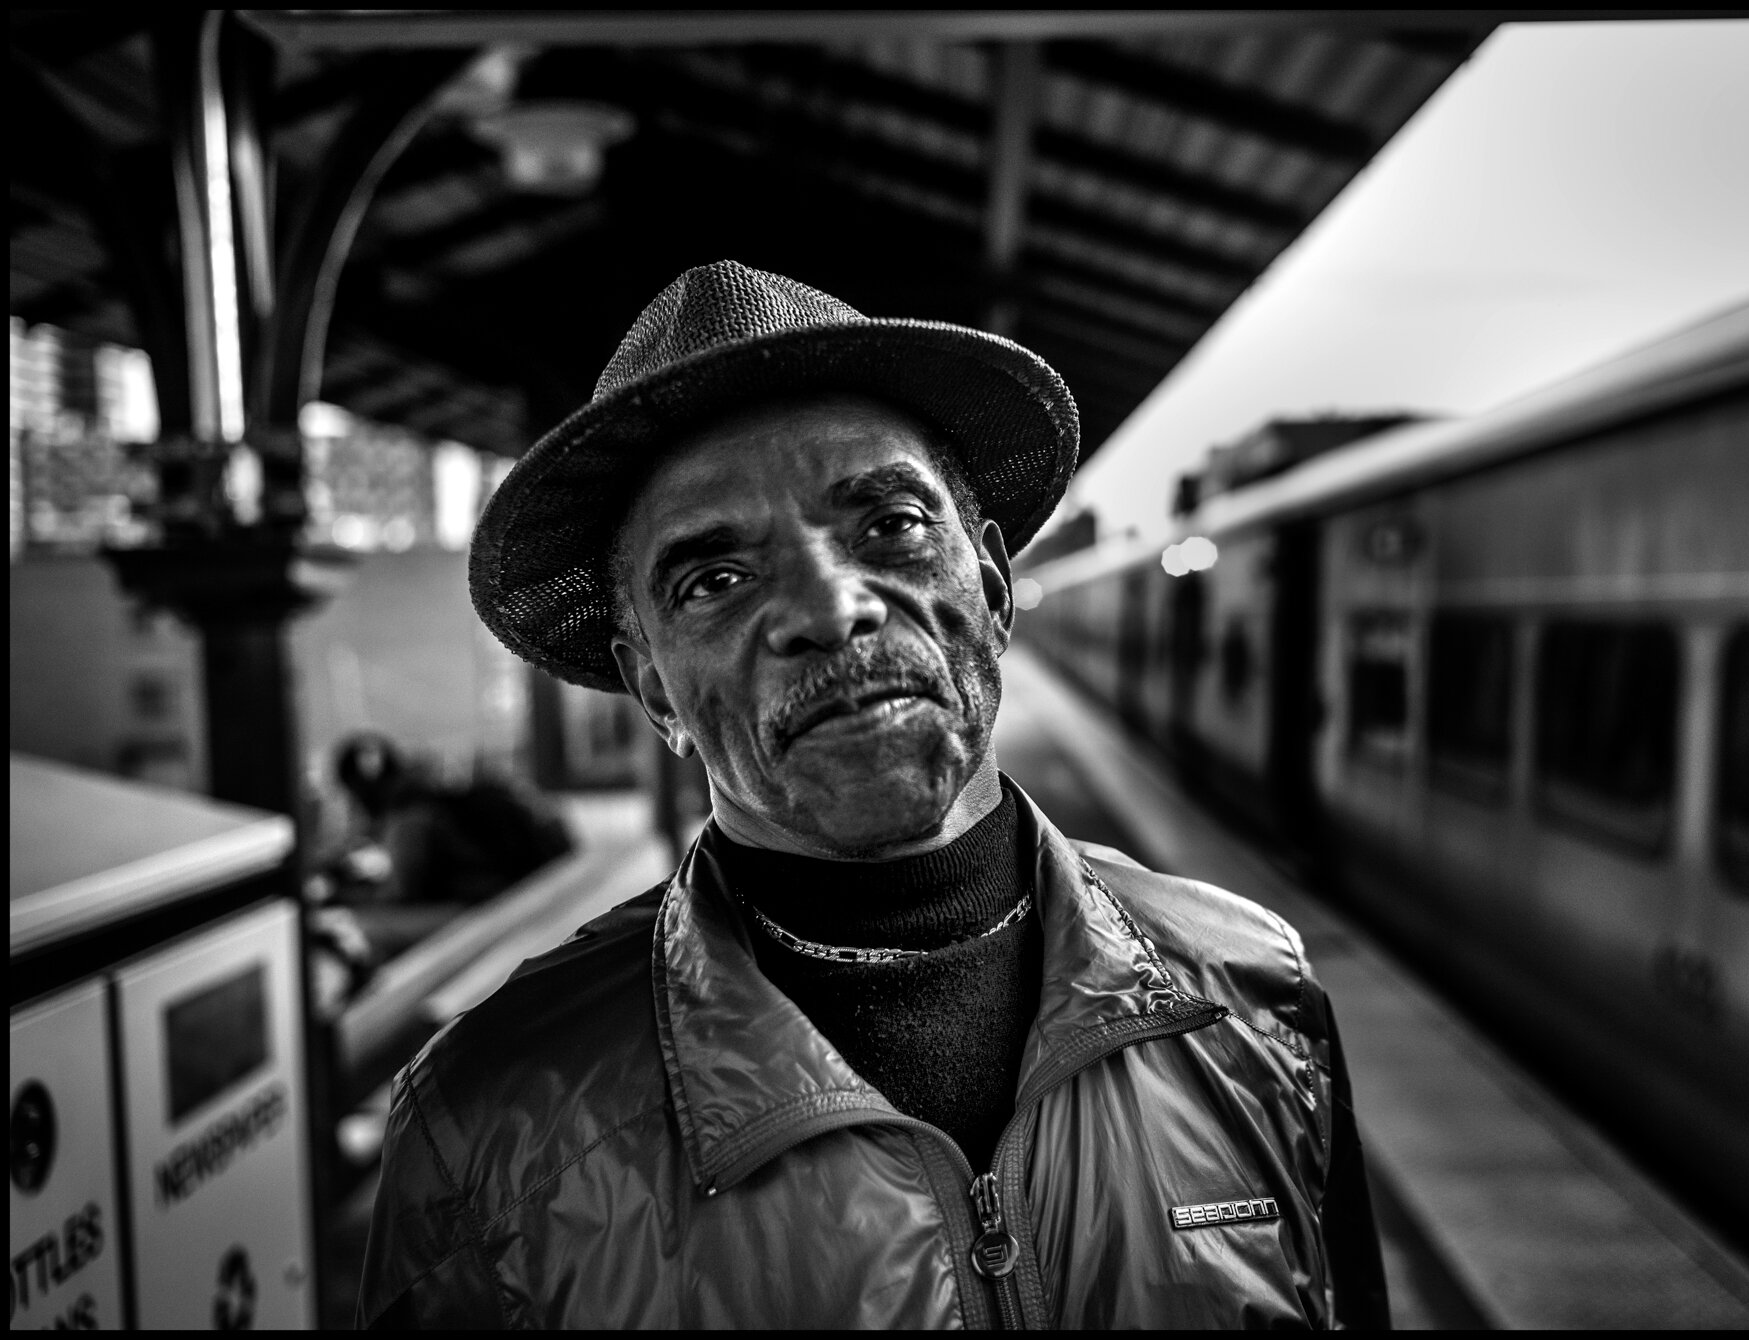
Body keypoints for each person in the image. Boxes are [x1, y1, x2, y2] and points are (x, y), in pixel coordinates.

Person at [357, 262, 1389, 1328]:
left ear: (988, 585)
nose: (831, 605)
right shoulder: (490, 1123)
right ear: (653, 684)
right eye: (712, 579)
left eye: (890, 525)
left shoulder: (1255, 1000)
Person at [330, 732, 574, 908]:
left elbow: (401, 894)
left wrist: (339, 895)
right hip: (508, 889)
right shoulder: (429, 794)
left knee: (362, 930)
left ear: (359, 789)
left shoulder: (408, 815)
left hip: (485, 901)